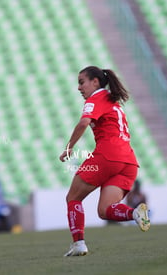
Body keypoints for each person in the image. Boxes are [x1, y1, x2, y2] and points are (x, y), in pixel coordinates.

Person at [59, 66, 150, 257]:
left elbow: (84, 123)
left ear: (95, 82)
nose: (78, 87)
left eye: (81, 82)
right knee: (105, 210)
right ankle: (135, 213)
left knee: (73, 198)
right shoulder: (112, 101)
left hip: (108, 156)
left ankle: (79, 244)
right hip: (129, 162)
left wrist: (69, 147)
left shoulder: (97, 98)